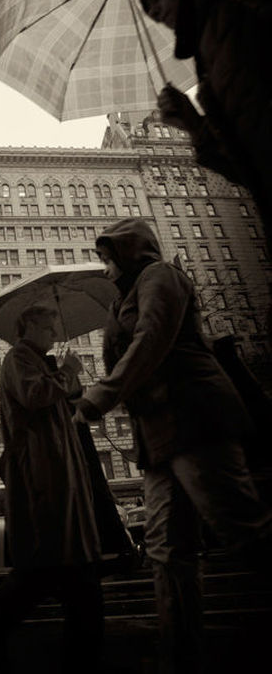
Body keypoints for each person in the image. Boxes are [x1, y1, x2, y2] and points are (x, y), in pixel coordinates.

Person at [73, 218, 272, 674]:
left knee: (241, 528)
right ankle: (180, 655)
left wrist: (102, 394)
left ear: (129, 251)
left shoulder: (161, 275)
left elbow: (153, 338)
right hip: (158, 435)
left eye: (107, 259)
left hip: (195, 416)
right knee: (166, 549)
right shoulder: (120, 299)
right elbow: (126, 353)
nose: (104, 269)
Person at [0, 305, 107, 673]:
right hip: (43, 473)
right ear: (29, 325)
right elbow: (35, 395)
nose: (53, 331)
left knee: (63, 570)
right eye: (48, 326)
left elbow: (65, 403)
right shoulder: (18, 358)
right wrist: (66, 371)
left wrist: (72, 379)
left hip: (60, 470)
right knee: (57, 567)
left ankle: (80, 654)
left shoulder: (41, 361)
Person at [139, 0, 272, 278]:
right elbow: (245, 167)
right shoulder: (207, 67)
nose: (154, 10)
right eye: (148, 11)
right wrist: (192, 123)